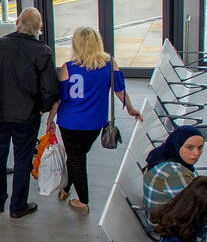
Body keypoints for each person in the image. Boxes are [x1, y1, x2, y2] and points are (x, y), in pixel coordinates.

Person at [45, 26, 142, 214]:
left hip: (70, 122)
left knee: (76, 158)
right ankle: (65, 188)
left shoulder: (68, 67)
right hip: (95, 123)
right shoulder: (110, 64)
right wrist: (130, 109)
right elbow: (120, 91)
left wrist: (50, 118)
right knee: (77, 156)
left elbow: (59, 98)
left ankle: (83, 200)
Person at [0, 7, 58, 218]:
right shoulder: (42, 52)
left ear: (17, 22)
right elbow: (50, 88)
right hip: (26, 116)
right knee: (22, 159)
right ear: (39, 28)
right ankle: (18, 205)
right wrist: (43, 108)